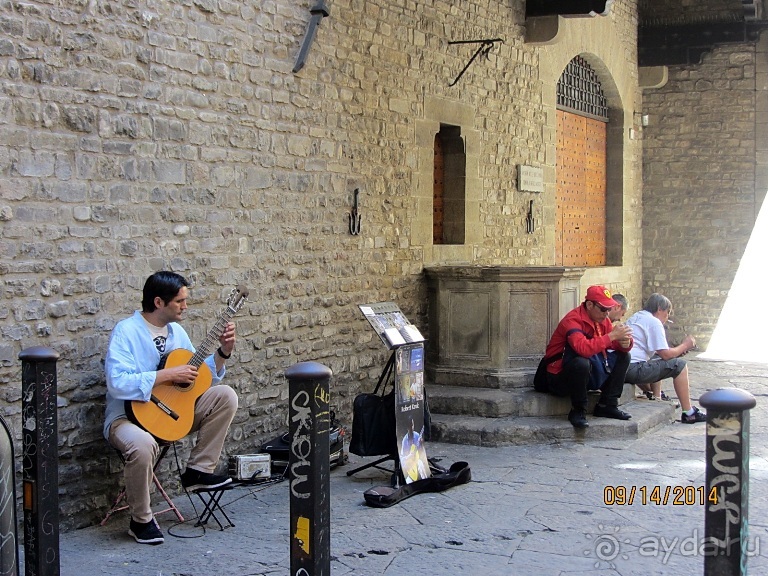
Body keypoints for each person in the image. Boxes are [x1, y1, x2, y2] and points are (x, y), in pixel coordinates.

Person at [104, 271, 239, 545]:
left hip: (172, 415)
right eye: (180, 301)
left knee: (225, 395)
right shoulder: (126, 331)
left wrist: (223, 352)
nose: (185, 306)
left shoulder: (177, 332)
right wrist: (166, 376)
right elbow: (116, 383)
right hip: (126, 419)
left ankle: (198, 471)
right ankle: (140, 520)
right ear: (158, 302)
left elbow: (199, 377)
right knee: (142, 444)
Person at [539, 286, 634, 428]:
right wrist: (612, 336)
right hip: (558, 376)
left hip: (589, 371)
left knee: (624, 356)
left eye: (609, 309)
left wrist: (625, 343)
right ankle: (578, 410)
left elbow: (612, 345)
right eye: (603, 309)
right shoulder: (572, 320)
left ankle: (607, 405)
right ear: (589, 305)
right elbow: (582, 348)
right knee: (581, 363)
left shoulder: (603, 320)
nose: (607, 313)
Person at [623, 293, 706, 424]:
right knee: (680, 366)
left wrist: (677, 352)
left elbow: (660, 353)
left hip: (623, 367)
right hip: (632, 369)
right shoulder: (654, 322)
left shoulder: (637, 317)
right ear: (659, 309)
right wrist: (685, 345)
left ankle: (656, 396)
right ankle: (689, 412)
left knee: (659, 360)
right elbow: (666, 354)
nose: (666, 318)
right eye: (667, 313)